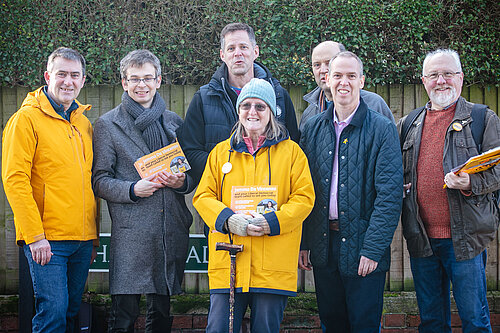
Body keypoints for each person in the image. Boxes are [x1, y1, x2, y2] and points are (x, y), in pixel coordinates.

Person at [193, 78, 315, 332]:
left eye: (260, 106)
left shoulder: (292, 153)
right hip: (229, 264)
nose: (252, 112)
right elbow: (203, 197)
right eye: (246, 105)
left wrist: (272, 222)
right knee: (218, 329)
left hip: (272, 266)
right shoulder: (220, 153)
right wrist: (228, 219)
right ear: (238, 111)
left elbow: (304, 199)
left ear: (271, 112)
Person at [299, 51, 403, 332]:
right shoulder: (312, 128)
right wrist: (305, 243)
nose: (343, 82)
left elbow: (390, 196)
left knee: (364, 325)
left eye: (350, 76)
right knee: (332, 324)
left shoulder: (382, 129)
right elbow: (303, 191)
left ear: (362, 81)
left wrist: (372, 250)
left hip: (364, 248)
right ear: (327, 81)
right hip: (324, 246)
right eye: (337, 75)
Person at [92, 50, 194, 332]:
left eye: (147, 78)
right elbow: (99, 180)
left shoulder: (173, 122)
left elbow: (189, 176)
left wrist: (181, 183)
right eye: (134, 79)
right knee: (123, 317)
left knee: (160, 318)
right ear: (124, 83)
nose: (141, 85)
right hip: (132, 234)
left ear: (158, 80)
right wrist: (133, 189)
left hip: (168, 230)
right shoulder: (108, 125)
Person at [398, 49, 500, 332]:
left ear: (461, 78)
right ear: (423, 80)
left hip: (465, 240)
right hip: (422, 239)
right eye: (433, 75)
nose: (441, 81)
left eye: (448, 74)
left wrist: (471, 183)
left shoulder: (482, 118)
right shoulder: (409, 123)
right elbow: (392, 170)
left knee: (474, 321)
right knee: (431, 322)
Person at [2, 47, 98, 332]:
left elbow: (87, 182)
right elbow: (14, 179)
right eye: (61, 74)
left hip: (82, 241)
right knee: (52, 316)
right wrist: (34, 236)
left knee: (69, 314)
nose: (68, 81)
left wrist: (92, 238)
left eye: (75, 75)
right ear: (47, 76)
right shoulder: (25, 120)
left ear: (83, 81)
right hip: (47, 242)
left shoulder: (83, 123)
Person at [177, 22, 300, 185]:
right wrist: (230, 171)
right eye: (231, 48)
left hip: (270, 198)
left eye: (243, 47)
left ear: (255, 51)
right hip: (220, 198)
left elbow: (293, 147)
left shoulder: (279, 96)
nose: (237, 53)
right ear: (222, 55)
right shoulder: (204, 98)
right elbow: (190, 151)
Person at [299, 41, 394, 133]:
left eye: (329, 63)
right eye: (317, 65)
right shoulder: (309, 114)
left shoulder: (374, 104)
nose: (323, 70)